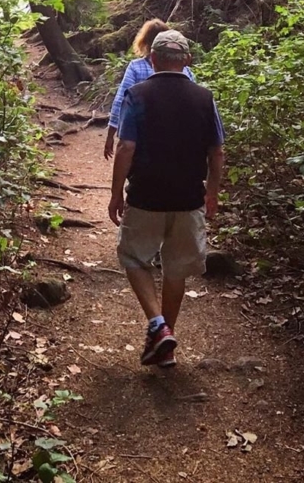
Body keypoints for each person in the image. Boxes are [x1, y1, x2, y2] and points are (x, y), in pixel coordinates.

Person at [108, 30, 224, 369]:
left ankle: (158, 327)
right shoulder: (205, 98)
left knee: (133, 257)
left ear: (153, 59)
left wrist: (116, 193)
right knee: (176, 269)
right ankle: (165, 344)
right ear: (187, 61)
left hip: (146, 196)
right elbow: (217, 151)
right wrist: (212, 191)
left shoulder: (138, 94)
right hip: (189, 198)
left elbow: (126, 147)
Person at [104, 19, 220, 161]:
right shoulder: (186, 72)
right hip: (179, 136)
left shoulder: (135, 67)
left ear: (145, 42)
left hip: (142, 135)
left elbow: (121, 100)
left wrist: (111, 135)